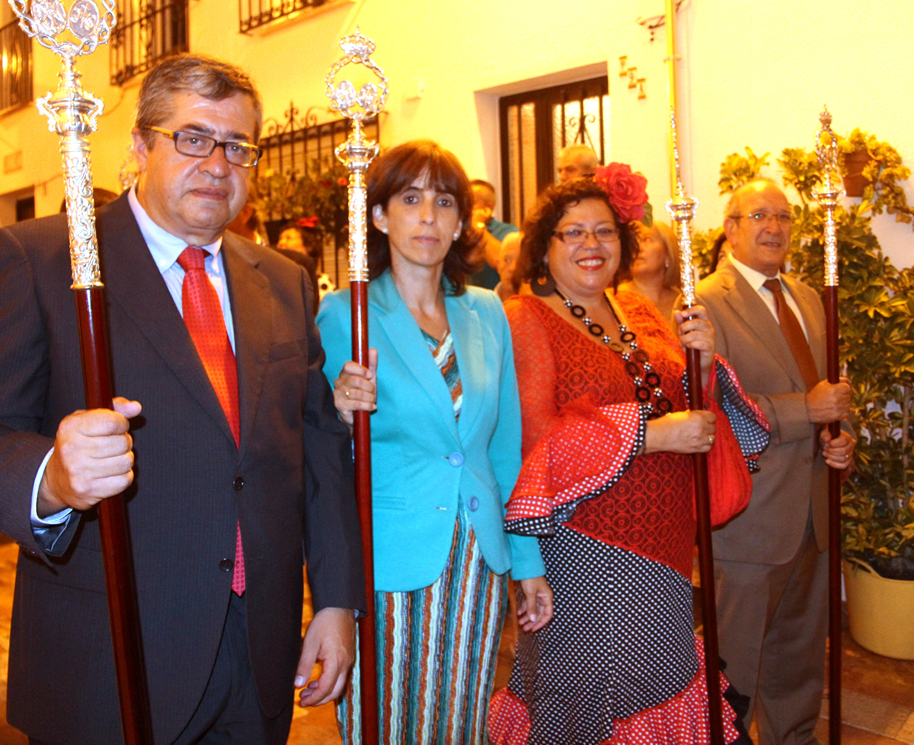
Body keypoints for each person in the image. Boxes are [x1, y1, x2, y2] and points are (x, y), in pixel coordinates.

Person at [0, 54, 365, 745]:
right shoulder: (45, 261)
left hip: (259, 649)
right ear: (138, 146)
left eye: (237, 147)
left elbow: (312, 451)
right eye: (192, 138)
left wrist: (337, 600)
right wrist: (54, 477)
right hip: (112, 653)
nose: (218, 164)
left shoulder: (283, 280)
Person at [489, 177, 770, 745]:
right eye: (573, 233)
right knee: (589, 698)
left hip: (667, 545)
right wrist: (651, 436)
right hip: (586, 549)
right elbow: (536, 443)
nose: (591, 244)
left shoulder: (637, 308)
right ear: (544, 247)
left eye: (603, 231)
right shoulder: (526, 318)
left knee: (661, 683)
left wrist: (706, 362)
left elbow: (689, 403)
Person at [317, 141, 552, 744]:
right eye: (410, 199)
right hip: (389, 552)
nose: (428, 217)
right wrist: (340, 409)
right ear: (378, 215)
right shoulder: (346, 313)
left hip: (477, 555)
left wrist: (525, 560)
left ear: (460, 222)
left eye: (443, 202)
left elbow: (503, 447)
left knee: (462, 718)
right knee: (389, 719)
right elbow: (316, 450)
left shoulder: (485, 311)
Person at [695, 179, 855, 745]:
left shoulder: (808, 296)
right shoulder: (703, 304)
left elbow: (830, 390)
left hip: (812, 513)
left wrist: (841, 436)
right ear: (731, 227)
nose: (774, 227)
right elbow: (709, 406)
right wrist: (801, 412)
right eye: (758, 215)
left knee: (799, 661)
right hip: (749, 520)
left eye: (784, 217)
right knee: (732, 669)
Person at [617, 220, 682, 323]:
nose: (637, 247)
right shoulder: (614, 299)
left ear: (668, 253)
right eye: (632, 242)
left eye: (646, 240)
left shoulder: (681, 301)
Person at [468, 179, 517, 290]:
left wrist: (478, 226)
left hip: (493, 300)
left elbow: (498, 261)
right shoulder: (455, 231)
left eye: (471, 202)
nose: (465, 206)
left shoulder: (507, 231)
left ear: (488, 207)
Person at [277, 220, 336, 300]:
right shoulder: (278, 280)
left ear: (308, 246)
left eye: (288, 238)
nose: (281, 242)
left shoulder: (321, 281)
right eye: (280, 238)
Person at [495, 230, 522, 303]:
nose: (513, 268)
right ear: (498, 265)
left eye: (520, 262)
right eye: (507, 260)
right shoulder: (485, 305)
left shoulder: (539, 310)